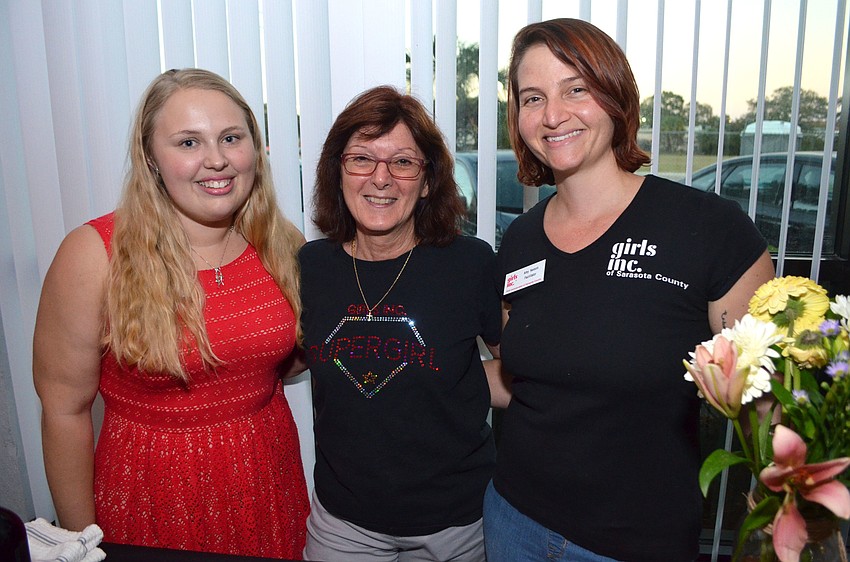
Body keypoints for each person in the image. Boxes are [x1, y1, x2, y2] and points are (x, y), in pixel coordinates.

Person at [483, 18, 776, 562]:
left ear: (615, 95)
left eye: (576, 89)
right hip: (511, 520)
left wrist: (790, 493)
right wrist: (415, 372)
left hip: (636, 541)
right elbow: (519, 378)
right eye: (532, 97)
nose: (552, 115)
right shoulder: (520, 240)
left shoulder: (709, 229)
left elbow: (768, 401)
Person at [33, 68, 309, 559]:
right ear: (151, 159)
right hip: (151, 498)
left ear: (255, 149)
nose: (217, 159)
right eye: (188, 142)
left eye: (231, 137)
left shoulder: (282, 245)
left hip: (269, 484)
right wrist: (82, 545)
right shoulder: (94, 254)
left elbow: (284, 355)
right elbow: (64, 410)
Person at [298, 85, 504, 561]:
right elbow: (288, 358)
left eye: (403, 162)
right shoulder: (310, 266)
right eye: (362, 159)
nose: (381, 178)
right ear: (339, 172)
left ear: (427, 181)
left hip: (455, 523)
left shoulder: (470, 264)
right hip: (343, 522)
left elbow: (520, 371)